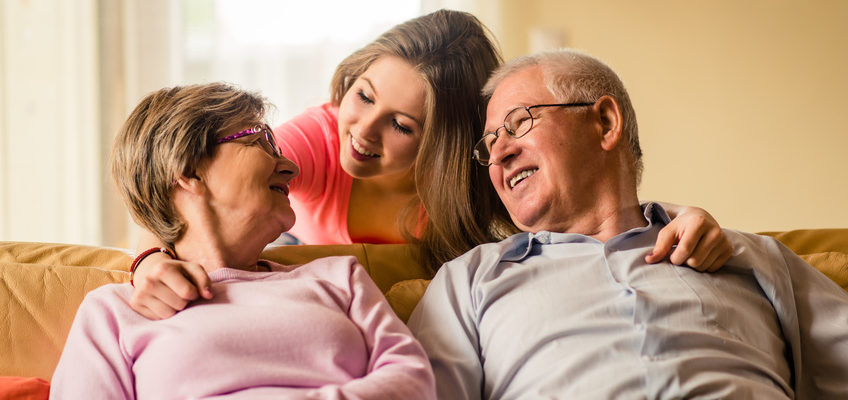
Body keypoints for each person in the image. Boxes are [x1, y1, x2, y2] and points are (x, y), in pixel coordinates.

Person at [129, 9, 732, 321]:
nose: (361, 132)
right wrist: (150, 259)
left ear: (441, 146)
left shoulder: (476, 178)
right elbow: (197, 188)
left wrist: (681, 215)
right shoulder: (319, 134)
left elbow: (585, 209)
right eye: (364, 95)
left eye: (401, 126)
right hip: (299, 259)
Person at [407, 49, 848, 399]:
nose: (499, 153)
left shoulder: (748, 256)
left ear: (605, 122)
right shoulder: (469, 281)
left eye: (517, 123)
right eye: (489, 143)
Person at [50, 83, 435, 399]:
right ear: (187, 170)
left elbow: (414, 380)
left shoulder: (340, 278)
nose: (291, 165)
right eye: (261, 141)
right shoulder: (114, 312)